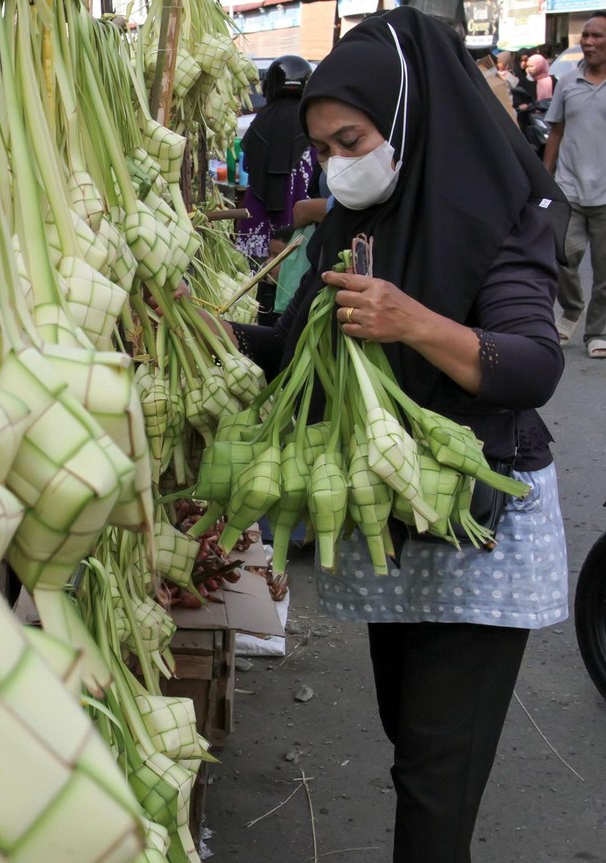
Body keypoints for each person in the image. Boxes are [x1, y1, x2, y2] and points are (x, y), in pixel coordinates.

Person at [215, 7, 570, 861]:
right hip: (397, 524)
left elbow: (530, 365)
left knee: (434, 783)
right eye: (327, 149)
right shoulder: (353, 226)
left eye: (352, 139)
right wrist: (208, 334)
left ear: (407, 121)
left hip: (475, 527)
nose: (339, 165)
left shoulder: (504, 215)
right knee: (411, 745)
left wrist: (412, 321)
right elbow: (296, 342)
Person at [543, 10, 606, 358]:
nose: (589, 41)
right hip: (569, 188)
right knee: (563, 255)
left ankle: (597, 331)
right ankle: (571, 310)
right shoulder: (567, 82)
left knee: (604, 270)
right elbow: (556, 132)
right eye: (586, 35)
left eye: (597, 36)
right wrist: (544, 178)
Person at [234, 55, 317, 262]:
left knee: (256, 277)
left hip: (261, 212)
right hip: (302, 214)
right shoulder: (314, 122)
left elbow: (247, 164)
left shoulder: (261, 120)